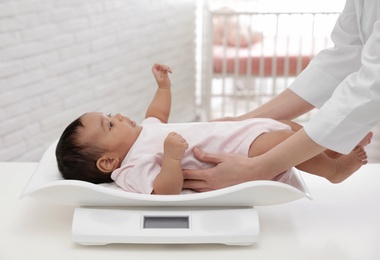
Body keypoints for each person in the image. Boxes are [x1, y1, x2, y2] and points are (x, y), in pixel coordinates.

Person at [56, 63, 369, 195]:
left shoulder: (142, 134)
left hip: (240, 131)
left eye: (111, 115)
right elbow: (165, 190)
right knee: (284, 143)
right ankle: (333, 169)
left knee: (290, 128)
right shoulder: (130, 169)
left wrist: (163, 86)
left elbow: (157, 114)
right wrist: (172, 159)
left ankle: (331, 146)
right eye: (110, 124)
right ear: (108, 162)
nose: (120, 116)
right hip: (238, 151)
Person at [182, 0, 379, 192]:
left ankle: (333, 167)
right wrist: (241, 122)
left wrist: (258, 168)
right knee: (285, 128)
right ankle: (329, 151)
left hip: (217, 145)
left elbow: (372, 85)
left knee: (279, 135)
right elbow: (346, 57)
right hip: (223, 140)